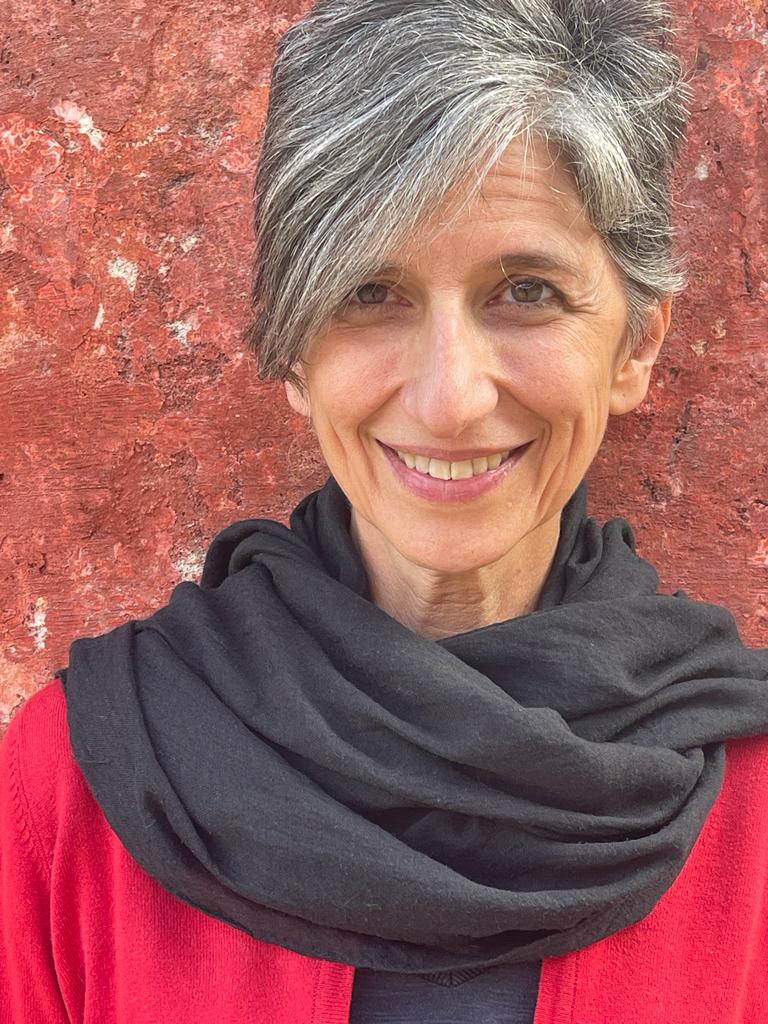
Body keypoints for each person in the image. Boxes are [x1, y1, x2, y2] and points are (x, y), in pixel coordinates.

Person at [2, 1, 767, 1022]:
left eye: (527, 292)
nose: (451, 399)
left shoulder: (754, 807)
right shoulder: (70, 793)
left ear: (635, 344)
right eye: (370, 292)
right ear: (292, 351)